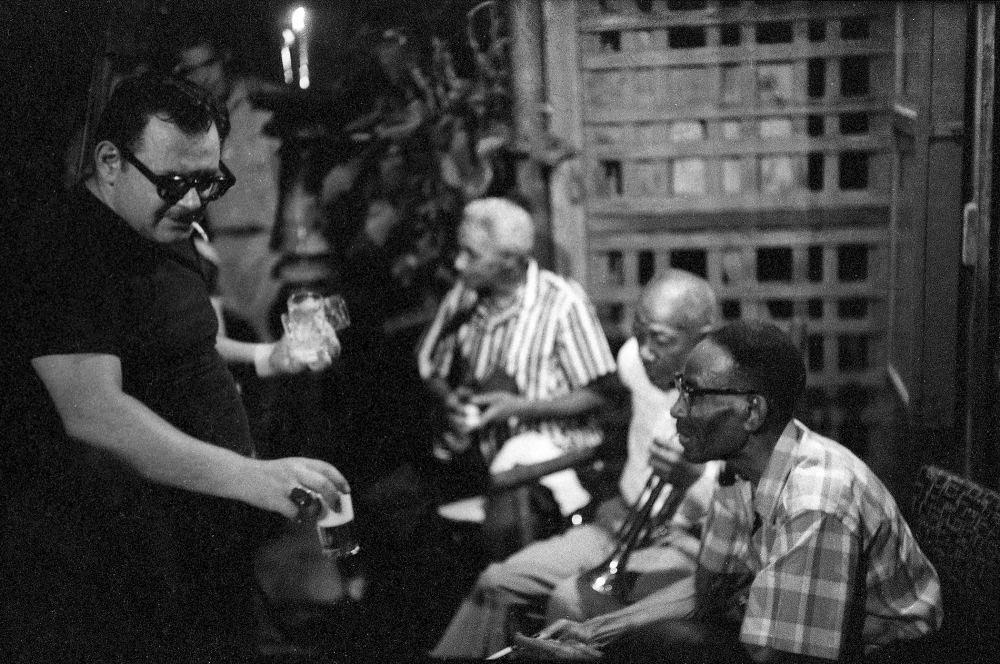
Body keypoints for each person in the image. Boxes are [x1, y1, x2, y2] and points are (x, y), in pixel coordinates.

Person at [0, 73, 349, 662]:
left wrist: (267, 357)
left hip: (204, 540)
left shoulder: (164, 224)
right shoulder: (64, 247)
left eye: (208, 181)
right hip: (124, 565)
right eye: (175, 182)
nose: (193, 201)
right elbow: (95, 411)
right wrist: (254, 478)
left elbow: (179, 341)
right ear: (110, 162)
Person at [516, 321, 943, 663]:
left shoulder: (817, 500)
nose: (677, 410)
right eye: (681, 389)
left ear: (752, 411)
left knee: (665, 644)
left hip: (886, 653)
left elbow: (784, 655)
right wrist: (597, 632)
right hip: (787, 636)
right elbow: (709, 590)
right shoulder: (737, 468)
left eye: (695, 395)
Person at [431, 269, 723, 659]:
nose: (646, 350)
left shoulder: (728, 403)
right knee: (496, 581)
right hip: (621, 519)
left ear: (702, 339)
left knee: (570, 603)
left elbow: (735, 516)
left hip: (684, 541)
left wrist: (692, 478)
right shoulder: (633, 362)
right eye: (639, 334)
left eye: (661, 340)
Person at [416, 197, 617, 511]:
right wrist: (449, 400)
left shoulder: (563, 303)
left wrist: (521, 409)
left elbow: (601, 393)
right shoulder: (463, 298)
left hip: (550, 467)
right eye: (460, 251)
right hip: (478, 462)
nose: (458, 263)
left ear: (510, 261)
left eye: (472, 255)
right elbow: (433, 371)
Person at [171, 29, 284, 342]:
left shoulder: (266, 104)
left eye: (208, 65)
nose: (203, 77)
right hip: (222, 253)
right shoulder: (191, 125)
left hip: (268, 251)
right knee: (239, 355)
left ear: (224, 60)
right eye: (191, 70)